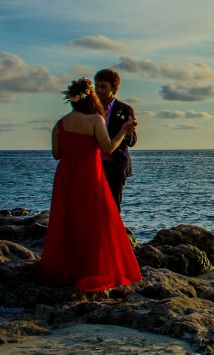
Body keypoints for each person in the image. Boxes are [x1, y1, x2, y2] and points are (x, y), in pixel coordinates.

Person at [35, 77, 141, 291]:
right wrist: (122, 131)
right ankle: (93, 269)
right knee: (94, 221)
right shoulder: (95, 120)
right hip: (89, 175)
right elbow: (109, 148)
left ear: (71, 99)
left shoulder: (60, 124)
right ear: (88, 97)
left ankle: (65, 269)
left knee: (68, 221)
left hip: (65, 176)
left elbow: (57, 155)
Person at [93, 68, 137, 210]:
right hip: (94, 162)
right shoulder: (91, 109)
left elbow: (132, 142)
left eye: (103, 86)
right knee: (94, 204)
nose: (98, 90)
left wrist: (128, 132)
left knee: (113, 206)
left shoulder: (124, 109)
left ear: (114, 88)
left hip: (115, 164)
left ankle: (113, 232)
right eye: (96, 86)